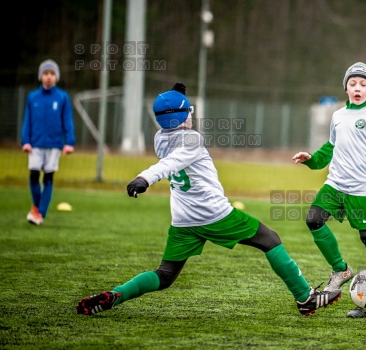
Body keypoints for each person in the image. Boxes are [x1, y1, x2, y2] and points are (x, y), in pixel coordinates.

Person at [76, 83, 341, 317]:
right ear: (183, 116)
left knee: (165, 275)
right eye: (188, 111)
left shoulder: (159, 138)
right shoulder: (192, 139)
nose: (192, 115)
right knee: (270, 239)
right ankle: (306, 298)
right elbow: (171, 162)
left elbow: (170, 138)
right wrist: (144, 178)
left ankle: (116, 295)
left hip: (183, 220)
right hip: (214, 214)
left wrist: (175, 97)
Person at [292, 62, 366, 318]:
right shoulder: (338, 116)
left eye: (363, 84)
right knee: (314, 220)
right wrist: (311, 160)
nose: (357, 88)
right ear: (346, 88)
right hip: (335, 184)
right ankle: (340, 270)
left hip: (362, 187)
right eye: (353, 83)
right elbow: (330, 148)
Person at [21, 59, 75, 225]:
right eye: (46, 73)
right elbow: (27, 121)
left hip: (54, 145)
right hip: (35, 145)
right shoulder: (33, 97)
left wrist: (69, 142)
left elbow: (67, 121)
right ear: (41, 76)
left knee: (48, 179)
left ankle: (40, 214)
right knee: (34, 176)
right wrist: (26, 141)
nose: (49, 77)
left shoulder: (62, 97)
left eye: (52, 74)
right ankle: (37, 208)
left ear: (56, 77)